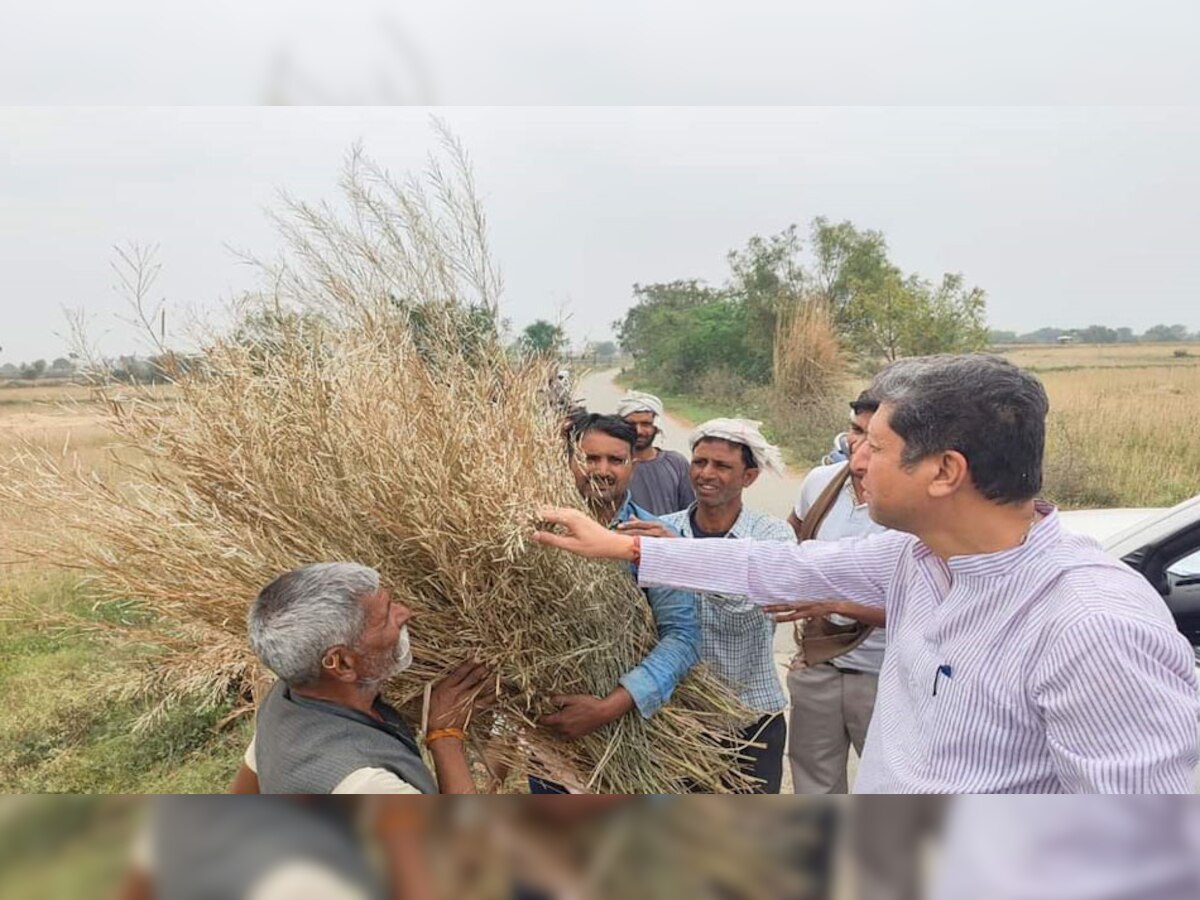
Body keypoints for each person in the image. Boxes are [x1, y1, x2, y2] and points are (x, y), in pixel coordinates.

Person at [534, 354, 1200, 794]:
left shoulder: (1091, 623)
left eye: (874, 449)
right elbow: (771, 564)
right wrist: (623, 550)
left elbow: (1141, 857)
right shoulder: (916, 560)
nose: (854, 464)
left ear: (945, 472)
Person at [619, 417, 792, 793]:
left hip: (750, 721)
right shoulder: (662, 528)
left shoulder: (770, 535)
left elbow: (749, 603)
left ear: (749, 477)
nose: (706, 474)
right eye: (699, 462)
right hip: (678, 724)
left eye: (722, 466)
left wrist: (680, 556)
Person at [531, 414, 700, 792]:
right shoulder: (540, 532)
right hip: (553, 729)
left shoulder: (654, 538)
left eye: (615, 460)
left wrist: (609, 706)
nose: (602, 471)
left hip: (635, 730)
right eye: (590, 459)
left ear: (632, 464)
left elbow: (682, 637)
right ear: (569, 460)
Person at [229, 561, 491, 794]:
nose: (405, 613)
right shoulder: (366, 784)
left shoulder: (282, 699)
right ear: (342, 663)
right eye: (386, 616)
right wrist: (445, 737)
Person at [785, 391, 890, 794]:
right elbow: (786, 545)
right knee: (815, 785)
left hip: (883, 675)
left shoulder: (913, 504)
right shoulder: (819, 483)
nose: (859, 447)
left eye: (875, 439)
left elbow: (925, 607)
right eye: (856, 431)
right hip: (819, 669)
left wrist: (835, 604)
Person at [617, 391, 695, 515]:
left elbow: (690, 512)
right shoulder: (613, 466)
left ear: (657, 426)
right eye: (631, 424)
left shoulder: (676, 463)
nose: (638, 431)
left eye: (646, 424)